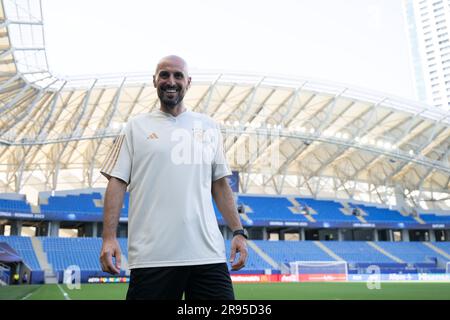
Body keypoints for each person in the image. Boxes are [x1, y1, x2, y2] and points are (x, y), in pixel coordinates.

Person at [99, 55, 248, 300]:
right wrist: (109, 238)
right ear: (154, 81)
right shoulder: (135, 127)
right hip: (152, 257)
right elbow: (116, 182)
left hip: (207, 255)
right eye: (164, 75)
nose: (171, 81)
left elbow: (220, 184)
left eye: (178, 75)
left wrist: (238, 231)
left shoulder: (209, 127)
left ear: (188, 82)